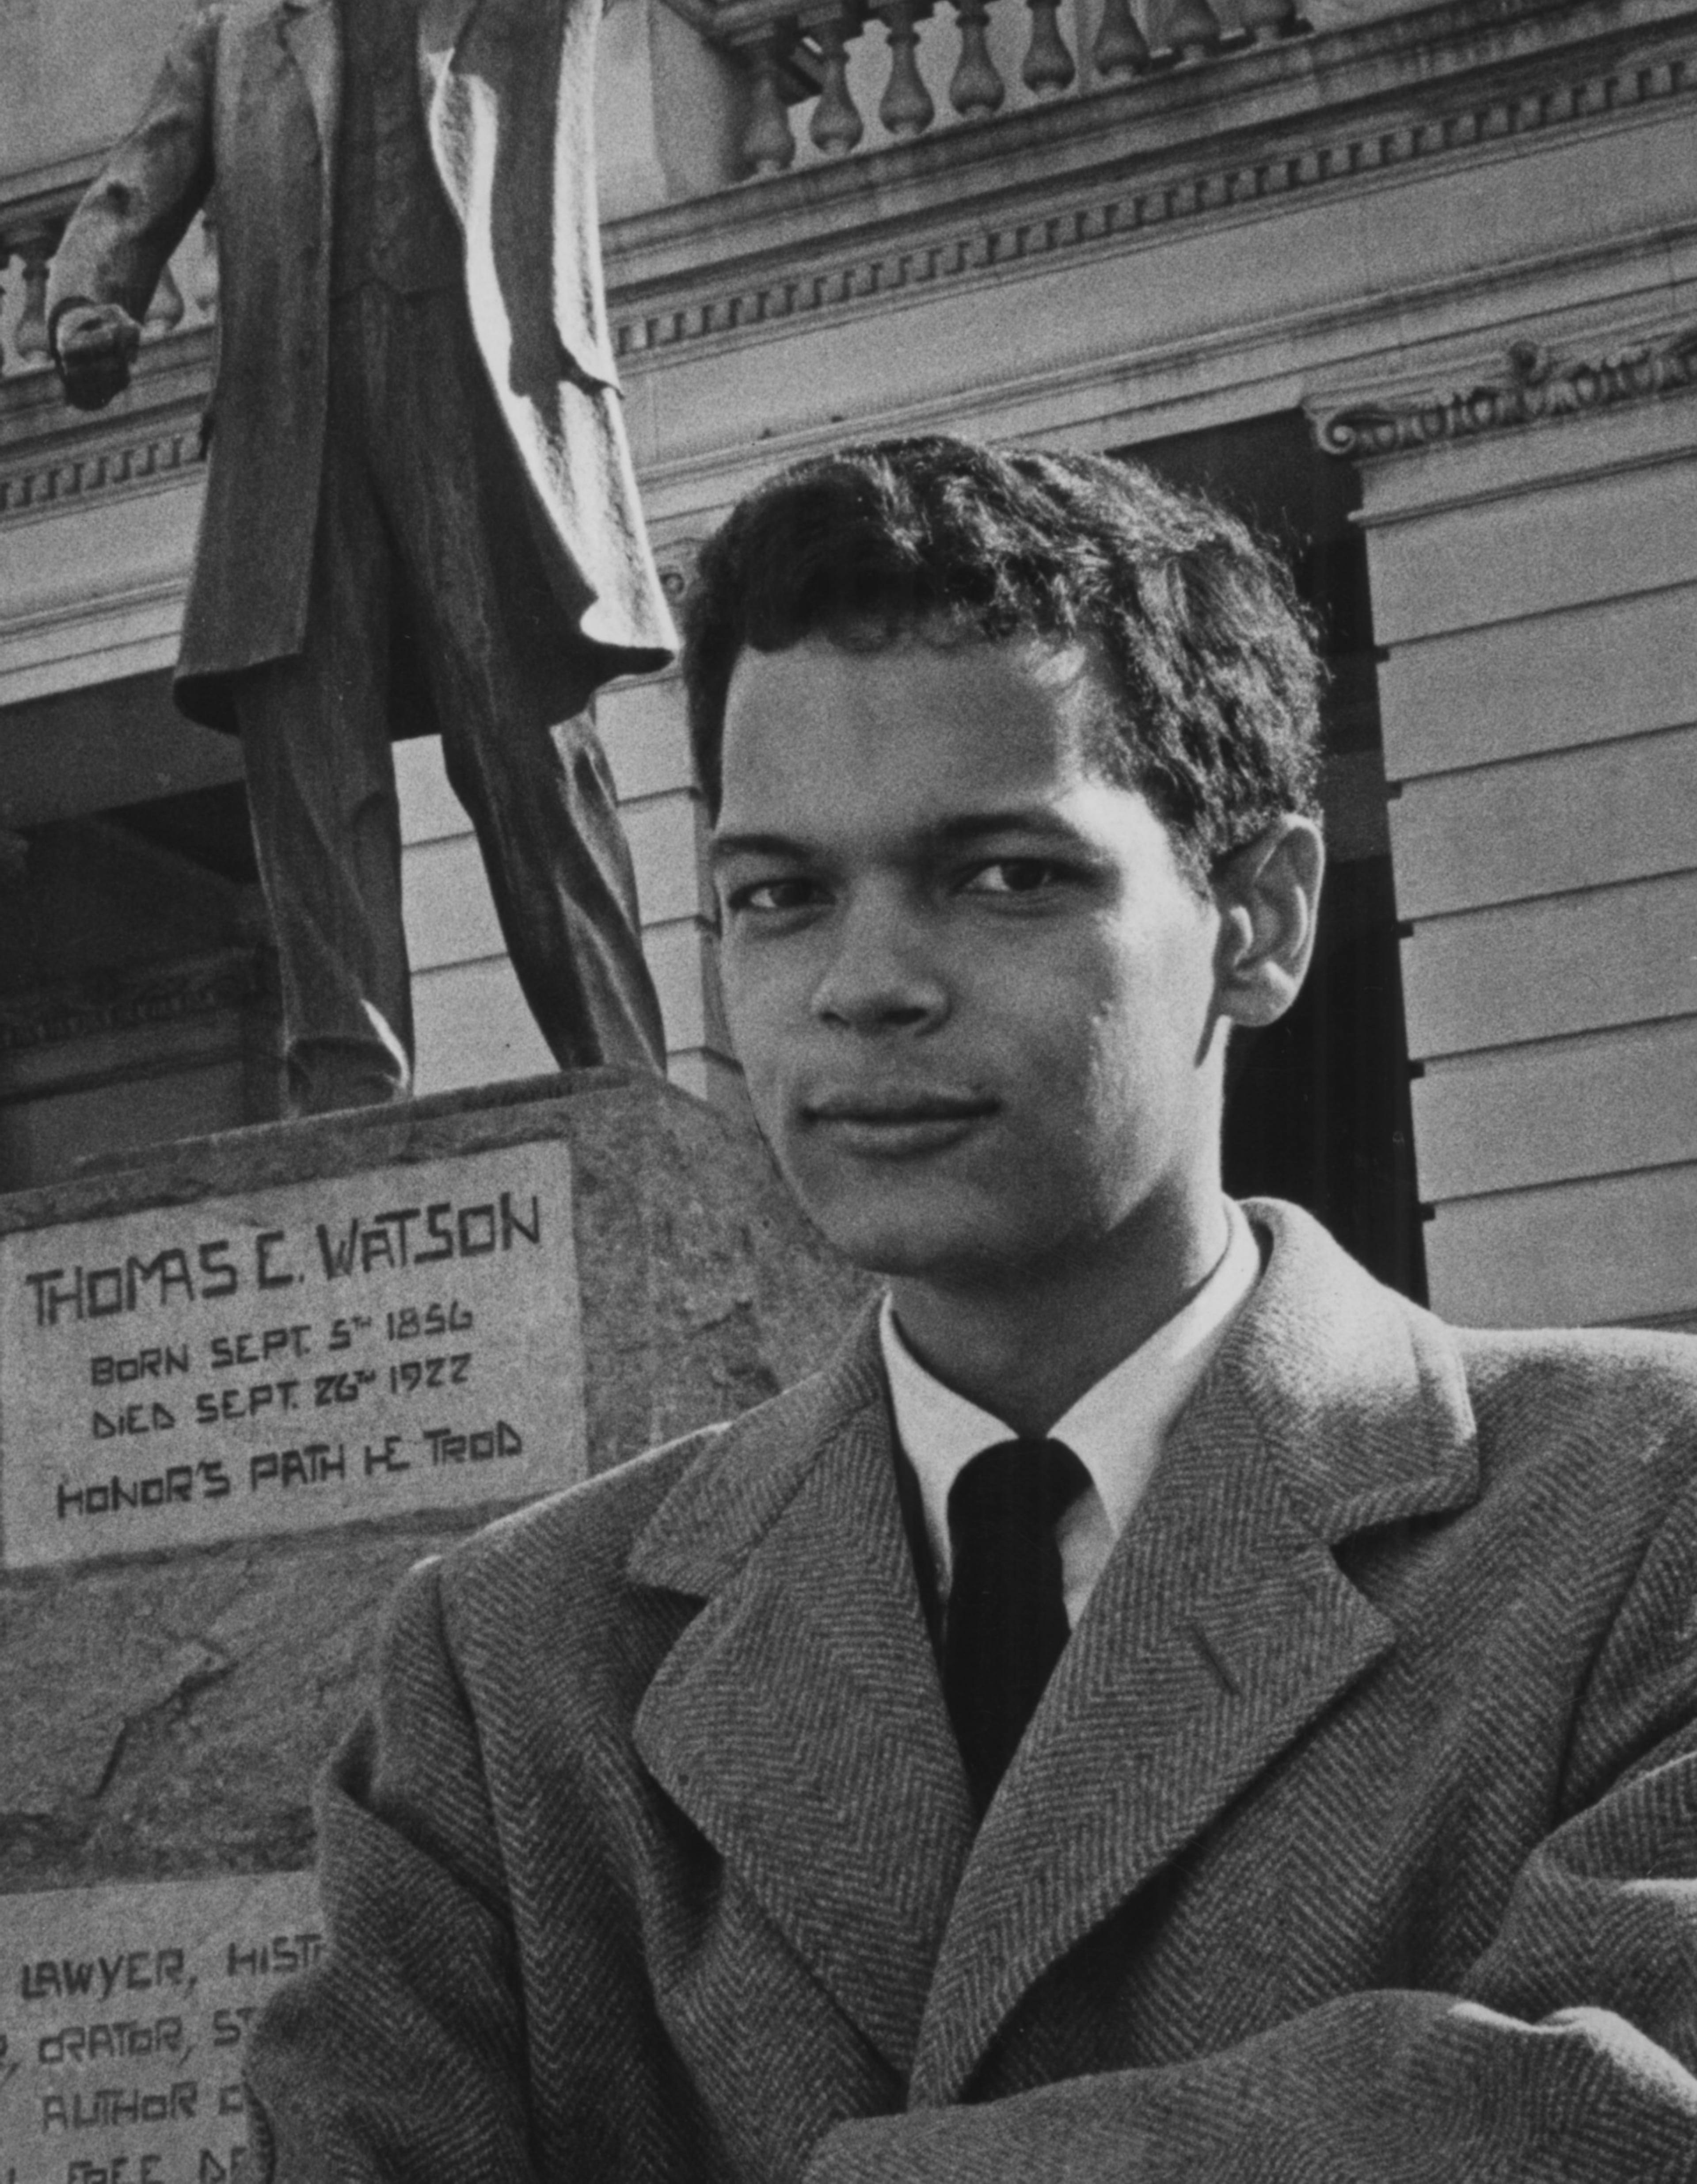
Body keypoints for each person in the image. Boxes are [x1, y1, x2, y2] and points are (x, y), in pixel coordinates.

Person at [244, 436, 1697, 2179]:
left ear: (1263, 914)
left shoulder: (1642, 1508)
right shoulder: (502, 1658)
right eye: (779, 894)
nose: (864, 986)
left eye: (1004, 874)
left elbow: (1617, 2120)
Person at [48, 0, 712, 1113]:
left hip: (474, 423)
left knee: (529, 764)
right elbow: (129, 198)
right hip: (295, 445)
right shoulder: (235, 48)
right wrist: (92, 303)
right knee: (310, 777)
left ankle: (625, 1087)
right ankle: (347, 1103)